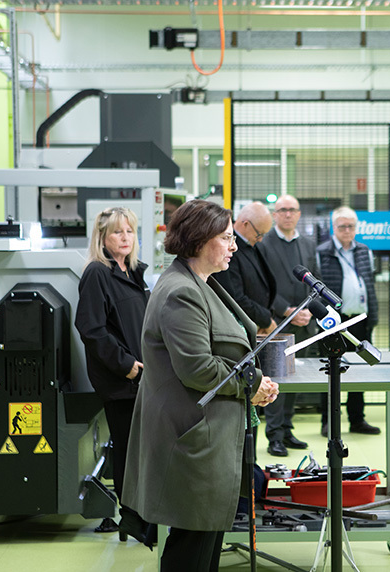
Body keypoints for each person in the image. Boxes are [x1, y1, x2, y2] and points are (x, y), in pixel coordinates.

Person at [120, 199, 279, 571]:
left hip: (210, 438)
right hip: (192, 439)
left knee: (204, 546)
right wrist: (252, 385)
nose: (234, 245)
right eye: (226, 238)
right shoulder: (181, 291)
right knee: (190, 549)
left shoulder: (203, 283)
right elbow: (198, 368)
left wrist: (253, 381)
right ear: (198, 240)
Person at [75, 206, 150, 519]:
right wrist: (127, 365)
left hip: (142, 379)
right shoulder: (97, 273)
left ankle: (143, 514)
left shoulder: (133, 273)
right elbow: (91, 329)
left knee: (141, 450)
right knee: (128, 450)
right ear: (102, 237)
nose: (125, 237)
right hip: (122, 382)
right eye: (118, 231)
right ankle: (132, 518)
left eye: (130, 231)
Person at [257, 194, 316, 457]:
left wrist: (307, 311)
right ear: (275, 214)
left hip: (303, 322)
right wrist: (287, 310)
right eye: (282, 210)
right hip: (276, 323)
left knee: (295, 379)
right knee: (276, 380)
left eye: (292, 210)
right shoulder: (264, 244)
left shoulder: (308, 244)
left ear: (299, 214)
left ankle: (288, 429)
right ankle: (274, 436)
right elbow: (262, 286)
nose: (288, 214)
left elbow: (314, 281)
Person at [316, 206, 381, 436]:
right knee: (331, 368)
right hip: (335, 321)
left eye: (350, 226)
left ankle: (357, 419)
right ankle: (328, 420)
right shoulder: (322, 252)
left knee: (360, 369)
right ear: (334, 228)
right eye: (342, 226)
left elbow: (369, 282)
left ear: (356, 228)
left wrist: (373, 314)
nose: (346, 230)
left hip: (360, 319)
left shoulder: (364, 250)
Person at [214, 201, 277, 335]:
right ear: (246, 224)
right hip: (241, 327)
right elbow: (235, 297)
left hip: (258, 327)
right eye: (259, 234)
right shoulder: (228, 252)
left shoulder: (256, 246)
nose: (260, 239)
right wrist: (265, 320)